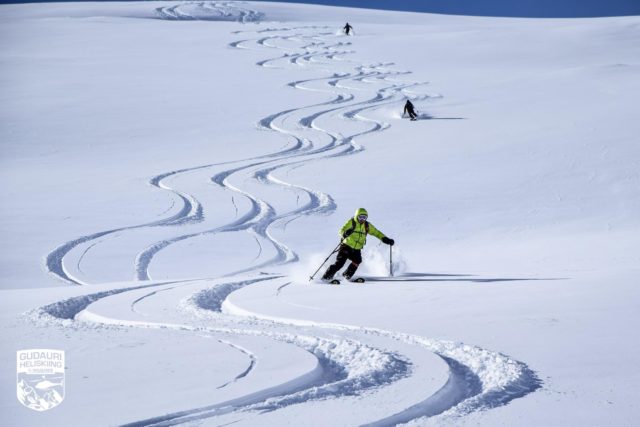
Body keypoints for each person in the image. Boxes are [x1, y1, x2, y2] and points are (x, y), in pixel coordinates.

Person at [322, 208, 394, 281]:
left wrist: (385, 239)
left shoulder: (367, 225)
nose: (362, 219)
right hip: (346, 246)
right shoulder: (352, 222)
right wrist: (344, 233)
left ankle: (346, 276)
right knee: (340, 263)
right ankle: (326, 278)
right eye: (360, 217)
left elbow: (376, 233)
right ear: (357, 216)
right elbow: (341, 231)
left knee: (357, 261)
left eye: (364, 217)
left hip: (357, 249)